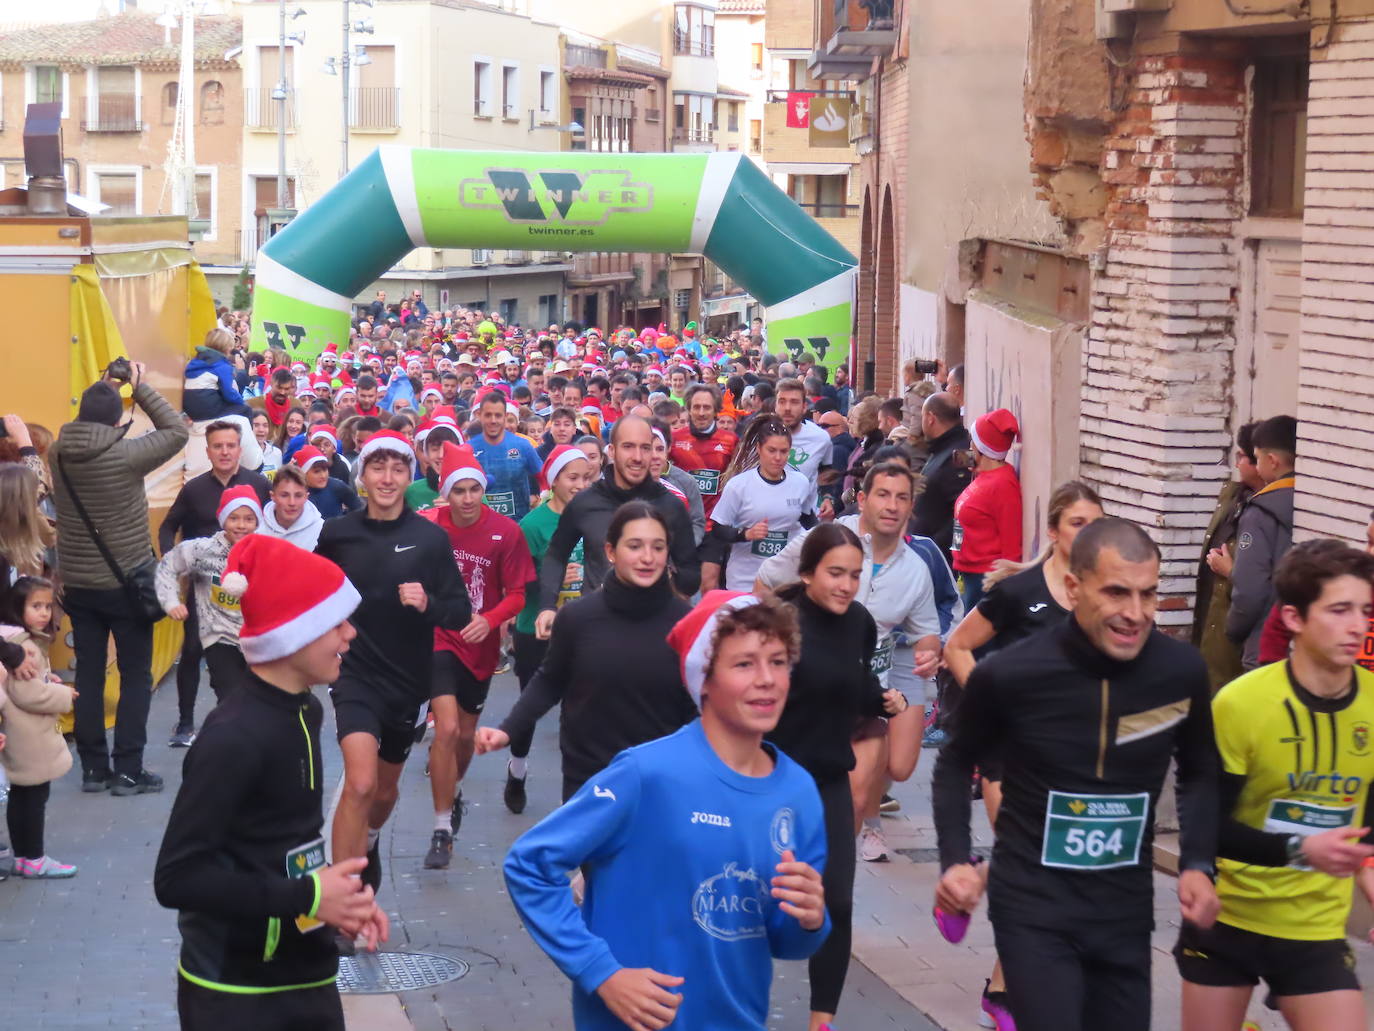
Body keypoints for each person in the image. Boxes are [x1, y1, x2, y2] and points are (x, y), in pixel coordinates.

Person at [932, 518, 1221, 1031]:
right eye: (1116, 593)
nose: (1135, 613)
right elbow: (954, 763)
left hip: (1123, 910)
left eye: (1148, 594)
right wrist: (956, 859)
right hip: (1034, 905)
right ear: (1073, 587)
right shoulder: (1013, 674)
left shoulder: (1179, 672)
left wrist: (1198, 862)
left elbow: (1199, 770)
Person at [502, 590, 829, 1031]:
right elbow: (529, 865)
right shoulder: (647, 773)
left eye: (777, 661)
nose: (767, 679)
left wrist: (811, 919)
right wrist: (602, 973)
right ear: (704, 679)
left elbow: (783, 942)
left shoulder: (799, 792)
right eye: (745, 663)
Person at [154, 534, 388, 1031]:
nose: (351, 635)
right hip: (235, 991)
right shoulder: (233, 736)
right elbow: (177, 878)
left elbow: (287, 845)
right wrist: (306, 897)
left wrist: (339, 902)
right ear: (294, 633)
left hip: (307, 972)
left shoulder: (306, 709)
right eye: (336, 623)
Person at [1175, 539, 1374, 1031]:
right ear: (1293, 618)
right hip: (1227, 919)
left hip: (1314, 927)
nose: (1357, 626)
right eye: (1339, 610)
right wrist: (1303, 849)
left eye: (1365, 610)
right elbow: (1207, 828)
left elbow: (1366, 817)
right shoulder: (1241, 705)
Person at [938, 479, 1104, 1026]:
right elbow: (956, 645)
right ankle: (1006, 990)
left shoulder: (1101, 598)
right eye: (1077, 523)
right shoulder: (1018, 592)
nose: (1087, 535)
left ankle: (976, 884)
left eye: (1095, 526)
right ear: (1054, 531)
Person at [315, 431, 471, 939]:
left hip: (409, 680)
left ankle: (374, 836)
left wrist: (428, 602)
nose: (386, 478)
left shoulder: (430, 539)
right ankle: (346, 908)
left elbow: (460, 610)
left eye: (397, 469)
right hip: (354, 673)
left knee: (383, 792)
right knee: (358, 782)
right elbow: (313, 593)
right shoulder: (337, 533)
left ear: (410, 475)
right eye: (377, 468)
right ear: (362, 476)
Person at [759, 461, 942, 864]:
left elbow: (926, 629)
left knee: (900, 767)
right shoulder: (824, 541)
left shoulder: (915, 568)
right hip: (812, 695)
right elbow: (765, 584)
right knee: (845, 797)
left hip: (871, 683)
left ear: (911, 507)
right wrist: (777, 641)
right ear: (862, 499)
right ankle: (849, 838)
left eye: (902, 498)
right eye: (883, 495)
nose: (892, 506)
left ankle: (840, 853)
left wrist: (931, 652)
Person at [768, 523, 909, 1031]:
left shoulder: (860, 623)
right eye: (835, 574)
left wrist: (882, 700)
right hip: (771, 781)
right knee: (755, 903)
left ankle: (821, 1020)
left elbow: (853, 683)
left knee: (839, 902)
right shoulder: (781, 623)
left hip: (827, 781)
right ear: (807, 574)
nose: (847, 585)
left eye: (855, 575)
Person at [478, 501, 697, 802]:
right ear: (610, 552)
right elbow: (550, 680)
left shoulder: (686, 623)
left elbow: (696, 705)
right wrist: (508, 731)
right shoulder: (578, 617)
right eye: (634, 546)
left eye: (658, 547)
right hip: (589, 777)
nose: (647, 557)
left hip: (659, 779)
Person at [54, 362, 189, 794]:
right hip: (126, 584)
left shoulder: (58, 452)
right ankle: (128, 769)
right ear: (118, 418)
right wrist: (140, 384)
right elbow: (176, 431)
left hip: (79, 584)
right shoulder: (127, 455)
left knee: (90, 674)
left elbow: (87, 424)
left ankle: (93, 768)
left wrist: (107, 386)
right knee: (135, 675)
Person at [420, 443, 534, 869]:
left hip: (480, 646)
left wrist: (490, 620)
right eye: (458, 491)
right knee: (445, 729)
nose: (467, 499)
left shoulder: (506, 531)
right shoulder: (430, 528)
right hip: (437, 636)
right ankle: (440, 828)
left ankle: (454, 792)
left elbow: (519, 594)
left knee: (465, 737)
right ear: (445, 494)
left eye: (474, 490)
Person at [533, 417, 699, 640]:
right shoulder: (585, 503)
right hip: (596, 630)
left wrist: (666, 583)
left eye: (645, 448)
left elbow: (690, 573)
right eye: (628, 447)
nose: (638, 457)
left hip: (653, 631)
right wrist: (547, 606)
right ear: (611, 451)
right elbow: (557, 554)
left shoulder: (671, 506)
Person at [160, 420, 271, 749]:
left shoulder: (259, 484)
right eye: (218, 446)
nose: (224, 451)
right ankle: (185, 722)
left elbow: (276, 526)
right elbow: (168, 527)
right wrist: (172, 560)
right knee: (193, 649)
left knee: (249, 650)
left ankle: (250, 718)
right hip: (203, 585)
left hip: (247, 585)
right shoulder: (193, 489)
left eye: (230, 445)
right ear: (207, 451)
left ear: (240, 448)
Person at [505, 446, 594, 812]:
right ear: (553, 480)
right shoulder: (532, 526)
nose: (580, 485)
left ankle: (574, 795)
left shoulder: (594, 518)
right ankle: (517, 768)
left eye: (586, 478)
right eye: (572, 478)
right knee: (532, 705)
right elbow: (518, 585)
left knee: (579, 711)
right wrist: (551, 579)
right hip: (535, 630)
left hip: (582, 630)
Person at [155, 486, 263, 711]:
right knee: (231, 701)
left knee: (258, 702)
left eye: (248, 519)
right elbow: (167, 566)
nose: (241, 525)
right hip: (218, 636)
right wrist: (171, 602)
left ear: (257, 522)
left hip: (255, 639)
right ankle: (229, 742)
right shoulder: (202, 550)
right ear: (223, 519)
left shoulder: (265, 552)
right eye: (234, 518)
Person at [0, 576, 78, 879]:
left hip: (21, 732)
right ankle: (32, 856)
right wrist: (63, 695)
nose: (44, 613)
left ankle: (23, 856)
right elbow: (28, 693)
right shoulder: (25, 646)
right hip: (29, 734)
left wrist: (48, 679)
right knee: (33, 797)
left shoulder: (17, 642)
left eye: (47, 606)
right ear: (18, 609)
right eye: (36, 606)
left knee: (23, 794)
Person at [704, 418, 816, 593]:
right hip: (745, 580)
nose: (778, 458)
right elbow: (718, 529)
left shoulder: (800, 482)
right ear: (759, 449)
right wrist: (745, 534)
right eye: (771, 451)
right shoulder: (739, 485)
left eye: (784, 451)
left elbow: (809, 522)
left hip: (785, 579)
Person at [1193, 421, 1263, 691]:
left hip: (1237, 637)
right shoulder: (1233, 497)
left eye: (1242, 457)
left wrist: (1231, 572)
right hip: (1211, 621)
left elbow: (1264, 585)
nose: (1237, 464)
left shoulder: (1268, 514)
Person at [1226, 414, 1297, 671]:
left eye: (1257, 457)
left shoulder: (1259, 513)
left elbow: (1249, 590)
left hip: (1264, 645)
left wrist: (1233, 629)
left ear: (1272, 461)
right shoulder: (1307, 504)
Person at [951, 408, 1022, 611]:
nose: (969, 445)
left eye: (973, 440)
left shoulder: (1003, 484)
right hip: (967, 573)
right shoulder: (983, 476)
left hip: (984, 580)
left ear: (981, 448)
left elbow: (1011, 546)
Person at [913, 392, 972, 563]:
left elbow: (963, 515)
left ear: (930, 418)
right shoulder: (940, 449)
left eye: (922, 416)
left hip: (941, 559)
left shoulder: (960, 453)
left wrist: (951, 553)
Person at [470, 391, 544, 520]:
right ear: (479, 416)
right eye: (488, 415)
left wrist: (539, 503)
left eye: (498, 415)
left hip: (518, 525)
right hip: (482, 526)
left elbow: (544, 479)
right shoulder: (468, 448)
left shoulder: (523, 446)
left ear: (505, 416)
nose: (493, 420)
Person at [669, 383, 738, 519]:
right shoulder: (674, 439)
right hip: (683, 521)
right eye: (696, 407)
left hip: (715, 523)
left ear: (715, 410)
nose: (701, 413)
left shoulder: (731, 440)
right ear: (688, 409)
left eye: (706, 407)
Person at [773, 378, 833, 507]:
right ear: (775, 405)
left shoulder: (821, 438)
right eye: (782, 402)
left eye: (794, 402)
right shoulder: (759, 436)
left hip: (805, 519)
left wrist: (827, 498)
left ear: (804, 407)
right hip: (767, 516)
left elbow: (827, 473)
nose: (787, 408)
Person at [183, 328, 252, 422]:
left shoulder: (195, 361)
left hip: (190, 408)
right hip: (207, 410)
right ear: (227, 348)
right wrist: (242, 402)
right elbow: (229, 394)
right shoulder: (222, 365)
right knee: (246, 410)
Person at [258, 464, 324, 551]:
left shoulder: (321, 530)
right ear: (272, 496)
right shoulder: (257, 528)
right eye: (284, 495)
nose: (292, 502)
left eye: (298, 496)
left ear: (306, 497)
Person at [294, 446, 363, 520]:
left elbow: (359, 509)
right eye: (316, 471)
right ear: (304, 473)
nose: (323, 476)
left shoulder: (336, 486)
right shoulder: (295, 492)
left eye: (325, 470)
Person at [251, 411, 284, 476]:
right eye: (256, 425)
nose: (261, 430)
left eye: (265, 426)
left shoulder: (276, 453)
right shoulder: (243, 453)